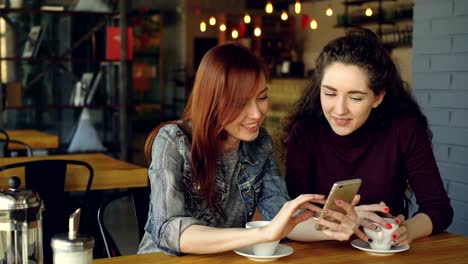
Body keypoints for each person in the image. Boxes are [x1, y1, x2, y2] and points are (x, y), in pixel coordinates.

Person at [138, 43, 359, 256]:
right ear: (212, 101)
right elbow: (171, 231)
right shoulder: (173, 142)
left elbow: (280, 216)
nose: (256, 114)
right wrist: (261, 234)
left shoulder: (260, 143)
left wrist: (339, 224)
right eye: (239, 103)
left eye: (261, 97)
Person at [282, 28, 453, 246]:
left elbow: (439, 208)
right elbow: (296, 217)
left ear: (378, 97)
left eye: (355, 97)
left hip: (382, 252)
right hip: (321, 253)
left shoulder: (405, 129)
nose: (339, 109)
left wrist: (406, 230)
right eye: (330, 93)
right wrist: (349, 221)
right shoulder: (305, 132)